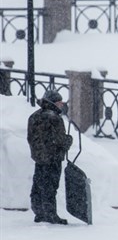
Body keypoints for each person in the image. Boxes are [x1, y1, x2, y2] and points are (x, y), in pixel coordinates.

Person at [28, 89, 73, 225]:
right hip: (53, 158)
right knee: (50, 186)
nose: (61, 105)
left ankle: (39, 212)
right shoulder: (54, 118)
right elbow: (59, 140)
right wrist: (68, 140)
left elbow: (31, 138)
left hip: (39, 158)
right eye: (59, 103)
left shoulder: (34, 116)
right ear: (53, 102)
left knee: (38, 184)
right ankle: (50, 214)